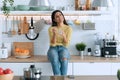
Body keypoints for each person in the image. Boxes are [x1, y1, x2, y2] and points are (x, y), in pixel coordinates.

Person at [47, 10, 72, 76]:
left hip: (63, 48)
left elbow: (66, 44)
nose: (60, 17)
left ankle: (63, 77)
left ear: (63, 16)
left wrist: (64, 36)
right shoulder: (51, 28)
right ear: (54, 20)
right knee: (55, 59)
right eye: (57, 16)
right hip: (53, 48)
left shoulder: (68, 28)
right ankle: (58, 77)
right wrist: (55, 34)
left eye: (60, 15)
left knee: (64, 59)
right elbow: (53, 44)